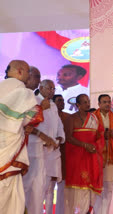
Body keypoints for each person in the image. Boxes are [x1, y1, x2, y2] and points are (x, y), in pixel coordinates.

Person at [0, 60, 48, 214]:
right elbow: (30, 118)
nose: (29, 77)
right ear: (20, 72)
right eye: (28, 72)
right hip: (9, 150)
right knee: (9, 194)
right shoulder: (23, 91)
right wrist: (42, 108)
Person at [23, 79, 61, 214]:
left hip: (50, 152)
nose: (52, 91)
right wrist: (43, 136)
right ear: (41, 87)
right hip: (33, 150)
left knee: (43, 189)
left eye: (53, 89)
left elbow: (58, 125)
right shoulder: (33, 100)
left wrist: (59, 137)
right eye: (49, 88)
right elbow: (26, 125)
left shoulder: (53, 105)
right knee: (30, 188)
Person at [64, 94, 105, 214]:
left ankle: (87, 211)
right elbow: (68, 137)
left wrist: (95, 147)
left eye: (88, 102)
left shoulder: (94, 118)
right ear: (78, 105)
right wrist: (84, 145)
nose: (88, 104)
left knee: (89, 188)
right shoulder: (71, 118)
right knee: (76, 189)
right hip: (76, 157)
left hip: (91, 157)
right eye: (84, 102)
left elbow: (100, 137)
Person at [93, 94, 113, 214]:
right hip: (97, 157)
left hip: (110, 156)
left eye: (109, 102)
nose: (107, 104)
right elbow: (90, 135)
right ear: (99, 104)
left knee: (109, 187)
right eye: (104, 102)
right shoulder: (93, 117)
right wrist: (103, 135)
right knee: (98, 188)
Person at [53, 94, 70, 214]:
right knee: (48, 188)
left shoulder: (68, 117)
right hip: (50, 154)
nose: (62, 103)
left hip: (65, 155)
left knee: (63, 188)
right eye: (59, 100)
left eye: (63, 100)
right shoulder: (49, 116)